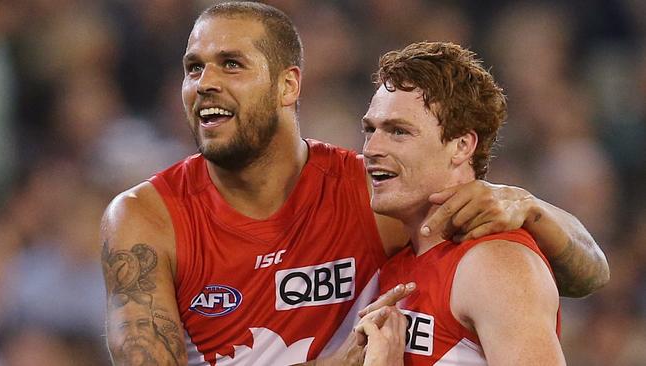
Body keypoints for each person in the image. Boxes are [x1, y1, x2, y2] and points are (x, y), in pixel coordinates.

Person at [100, 2, 608, 365]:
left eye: (231, 64)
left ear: (288, 85)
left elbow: (573, 277)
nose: (204, 81)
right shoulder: (147, 218)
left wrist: (533, 208)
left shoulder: (376, 195)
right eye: (193, 67)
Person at [358, 41, 565, 365]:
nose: (371, 148)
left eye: (398, 132)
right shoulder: (398, 263)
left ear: (461, 146)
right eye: (370, 129)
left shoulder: (495, 262)